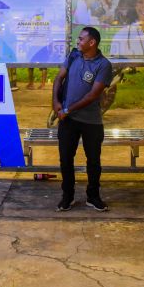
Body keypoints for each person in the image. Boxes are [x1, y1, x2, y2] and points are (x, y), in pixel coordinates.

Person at [52, 27, 113, 212]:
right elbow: (58, 78)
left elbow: (93, 95)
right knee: (65, 159)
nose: (77, 42)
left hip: (91, 122)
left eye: (81, 39)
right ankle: (67, 197)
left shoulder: (103, 65)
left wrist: (68, 109)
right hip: (67, 120)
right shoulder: (73, 56)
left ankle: (93, 197)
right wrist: (55, 102)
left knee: (93, 161)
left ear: (92, 42)